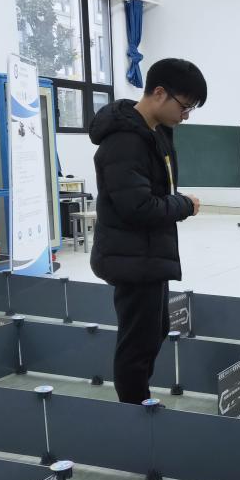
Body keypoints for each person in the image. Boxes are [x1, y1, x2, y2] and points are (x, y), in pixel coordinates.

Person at [89, 58, 206, 404]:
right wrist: (183, 205)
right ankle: (134, 412)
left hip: (148, 253)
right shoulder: (125, 142)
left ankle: (138, 403)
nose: (186, 116)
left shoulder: (154, 133)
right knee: (137, 343)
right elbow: (137, 207)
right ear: (159, 93)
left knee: (154, 331)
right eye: (184, 106)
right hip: (131, 257)